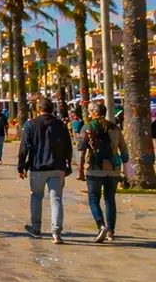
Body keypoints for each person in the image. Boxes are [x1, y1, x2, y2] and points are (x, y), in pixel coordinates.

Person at [18, 98, 73, 244]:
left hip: (38, 167)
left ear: (38, 109)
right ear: (52, 109)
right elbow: (68, 146)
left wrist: (21, 165)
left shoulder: (30, 124)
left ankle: (36, 228)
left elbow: (24, 147)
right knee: (56, 199)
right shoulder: (61, 125)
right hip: (57, 167)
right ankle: (56, 233)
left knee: (36, 196)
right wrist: (67, 164)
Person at [77, 102, 129, 242]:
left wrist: (80, 169)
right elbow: (124, 152)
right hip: (113, 169)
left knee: (93, 199)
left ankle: (101, 225)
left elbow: (81, 150)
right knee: (109, 200)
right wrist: (126, 171)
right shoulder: (115, 128)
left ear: (93, 112)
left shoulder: (87, 127)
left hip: (95, 169)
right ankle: (111, 232)